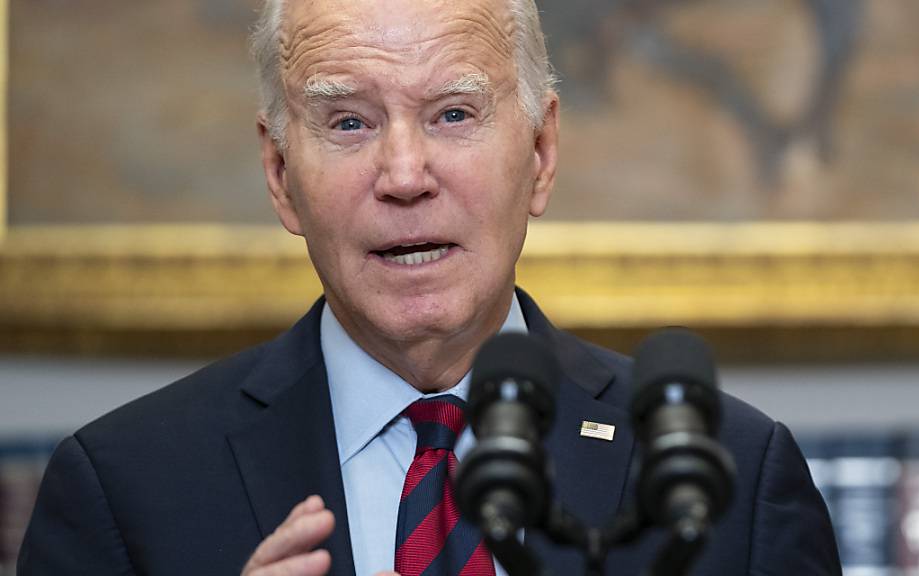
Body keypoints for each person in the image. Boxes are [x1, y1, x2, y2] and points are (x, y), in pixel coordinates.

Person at [18, 0, 841, 574]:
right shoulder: (122, 488)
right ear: (278, 174)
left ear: (542, 154)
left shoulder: (734, 474)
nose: (405, 175)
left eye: (454, 114)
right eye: (349, 122)